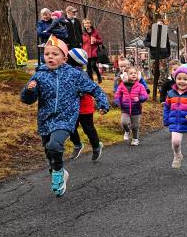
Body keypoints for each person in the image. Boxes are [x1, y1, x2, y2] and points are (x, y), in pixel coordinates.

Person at [20, 36, 109, 196]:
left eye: (55, 54)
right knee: (49, 150)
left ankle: (58, 173)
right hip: (45, 119)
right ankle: (59, 169)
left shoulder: (74, 75)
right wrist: (29, 90)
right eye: (47, 54)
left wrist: (103, 103)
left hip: (65, 118)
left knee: (55, 145)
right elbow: (27, 100)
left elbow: (94, 89)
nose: (50, 57)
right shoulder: (39, 76)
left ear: (64, 57)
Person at [66, 48, 105, 161]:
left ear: (72, 60)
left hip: (85, 106)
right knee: (70, 127)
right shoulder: (67, 71)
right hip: (73, 105)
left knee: (88, 128)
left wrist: (76, 91)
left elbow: (86, 89)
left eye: (67, 57)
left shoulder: (81, 74)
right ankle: (77, 144)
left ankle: (97, 146)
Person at [113, 66, 148, 146]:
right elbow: (117, 95)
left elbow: (145, 96)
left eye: (135, 73)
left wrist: (139, 99)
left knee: (135, 126)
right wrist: (117, 102)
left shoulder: (140, 86)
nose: (133, 75)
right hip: (125, 109)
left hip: (136, 110)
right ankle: (127, 131)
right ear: (126, 75)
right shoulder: (122, 85)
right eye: (131, 73)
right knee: (124, 122)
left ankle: (135, 139)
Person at [81, 18, 103, 83]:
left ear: (90, 24)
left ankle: (99, 75)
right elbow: (81, 42)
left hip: (94, 52)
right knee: (88, 68)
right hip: (86, 52)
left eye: (88, 23)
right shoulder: (82, 33)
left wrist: (96, 40)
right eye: (85, 23)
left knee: (93, 65)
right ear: (83, 25)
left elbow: (101, 41)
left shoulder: (95, 32)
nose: (87, 25)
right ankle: (91, 81)